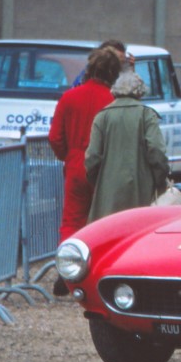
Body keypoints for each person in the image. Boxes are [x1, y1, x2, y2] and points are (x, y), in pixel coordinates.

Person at [49, 47, 121, 295]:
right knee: (104, 221)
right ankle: (98, 272)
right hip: (104, 168)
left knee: (71, 221)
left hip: (76, 164)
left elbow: (55, 137)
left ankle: (67, 269)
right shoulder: (113, 102)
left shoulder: (70, 97)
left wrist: (68, 156)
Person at [85, 71, 170, 223]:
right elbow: (156, 150)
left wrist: (99, 182)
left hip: (108, 194)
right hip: (141, 192)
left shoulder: (102, 116)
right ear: (140, 91)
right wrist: (160, 180)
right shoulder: (146, 114)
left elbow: (92, 157)